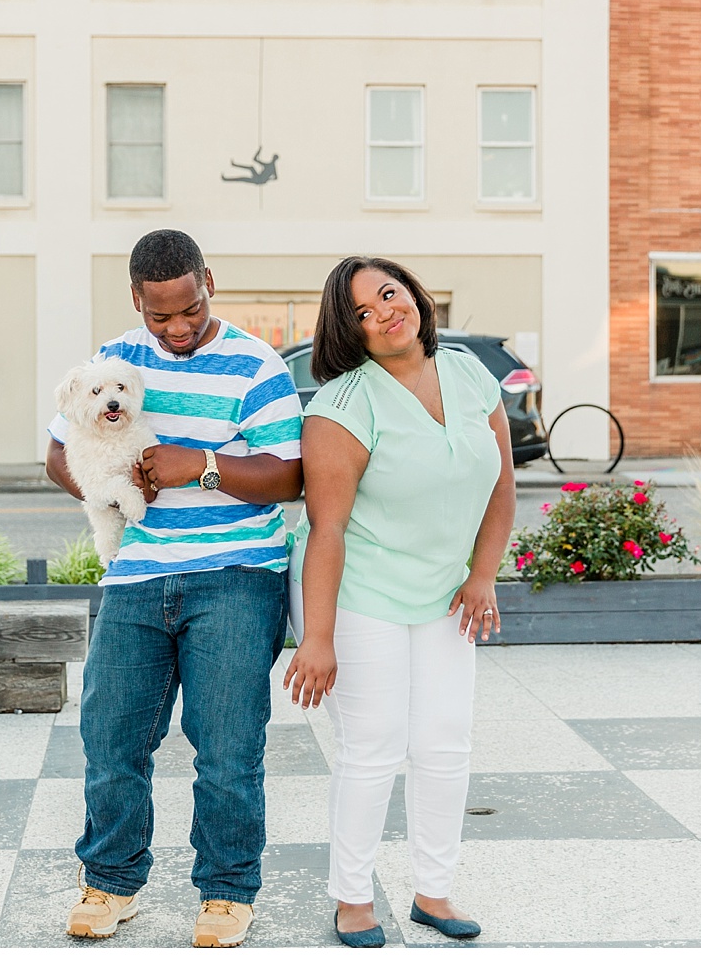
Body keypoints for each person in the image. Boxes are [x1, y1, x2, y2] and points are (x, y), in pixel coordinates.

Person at [45, 229, 303, 948]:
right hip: (137, 575)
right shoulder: (114, 362)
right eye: (161, 315)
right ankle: (111, 884)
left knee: (225, 745)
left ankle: (226, 894)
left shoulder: (256, 364)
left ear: (207, 282)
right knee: (111, 736)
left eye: (189, 308)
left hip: (236, 574)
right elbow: (56, 453)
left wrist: (204, 467)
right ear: (137, 301)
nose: (178, 327)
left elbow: (290, 474)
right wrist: (101, 491)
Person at [282, 256, 514, 947]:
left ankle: (433, 894)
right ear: (349, 332)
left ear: (413, 294)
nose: (384, 311)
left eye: (390, 293)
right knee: (374, 746)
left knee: (445, 741)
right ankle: (352, 900)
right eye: (362, 311)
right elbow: (327, 530)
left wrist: (482, 575)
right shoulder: (342, 406)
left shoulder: (472, 373)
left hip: (445, 587)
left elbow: (499, 489)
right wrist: (316, 639)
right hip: (359, 589)